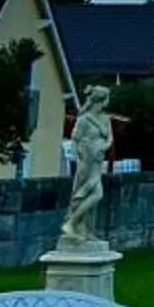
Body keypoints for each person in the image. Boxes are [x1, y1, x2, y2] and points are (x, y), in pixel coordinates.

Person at [60, 86, 115, 249]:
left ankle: (84, 229)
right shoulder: (84, 119)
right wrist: (82, 156)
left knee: (93, 195)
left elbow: (110, 138)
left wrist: (103, 148)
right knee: (93, 193)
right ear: (102, 100)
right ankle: (71, 222)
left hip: (98, 159)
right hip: (87, 160)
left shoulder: (105, 119)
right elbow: (75, 139)